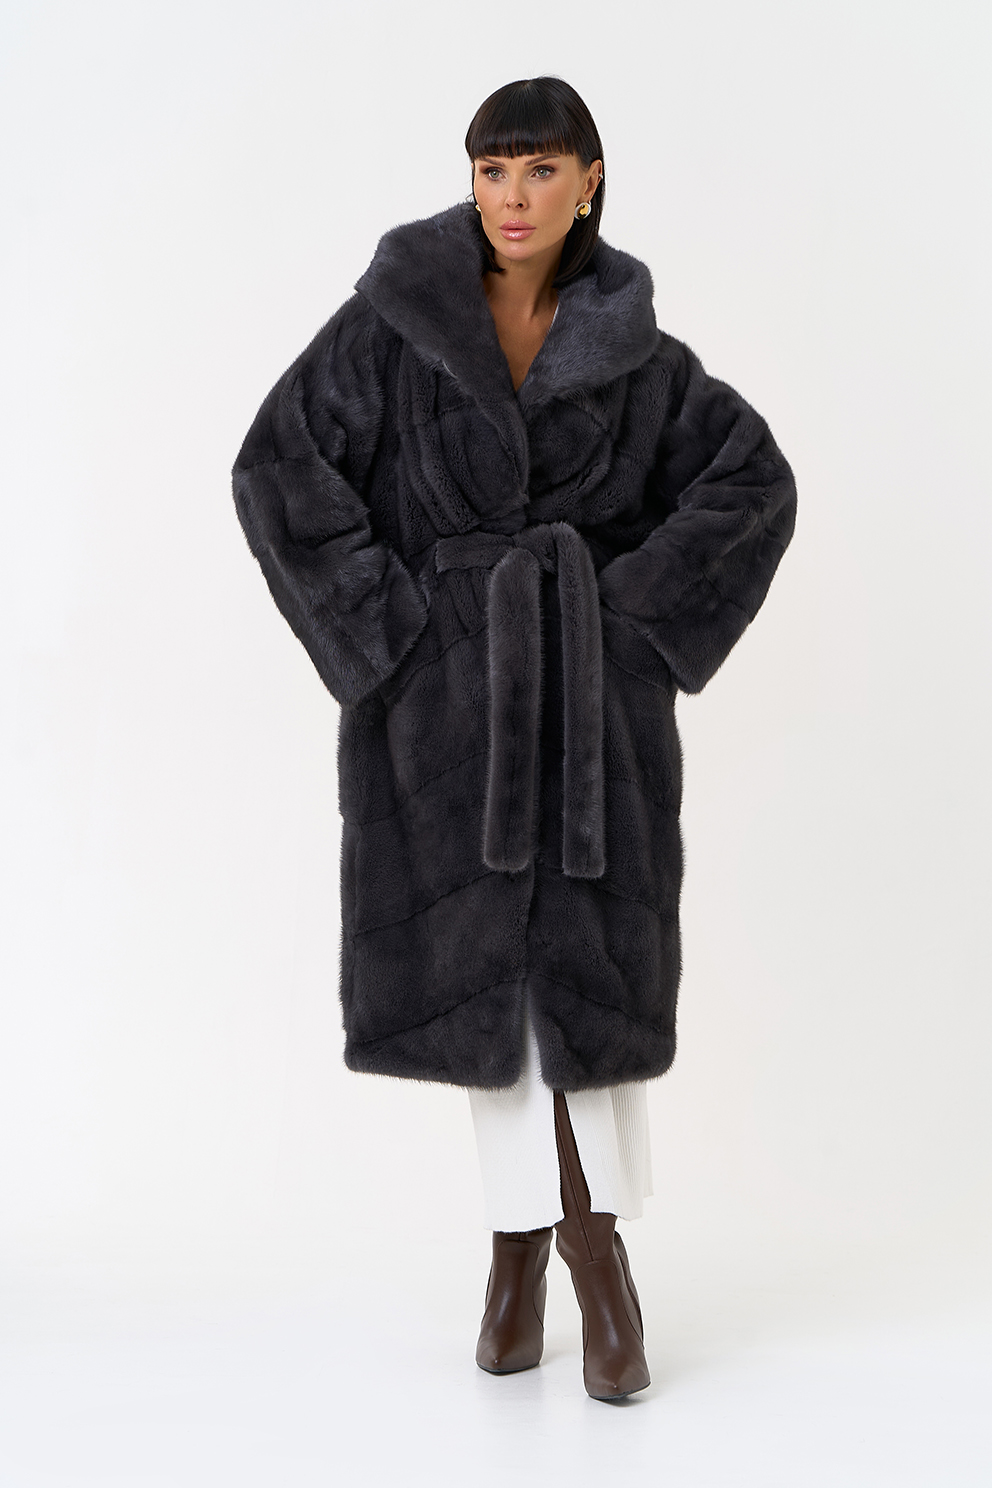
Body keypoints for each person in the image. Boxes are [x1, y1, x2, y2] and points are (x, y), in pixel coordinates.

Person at [232, 75, 797, 1403]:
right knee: (492, 999)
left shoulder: (639, 359)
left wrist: (633, 624)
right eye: (493, 170)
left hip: (592, 720)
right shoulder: (393, 329)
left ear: (589, 181)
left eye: (540, 170)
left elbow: (752, 481)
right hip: (446, 718)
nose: (513, 197)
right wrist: (391, 636)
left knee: (579, 995)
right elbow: (279, 466)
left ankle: (566, 1260)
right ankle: (542, 1261)